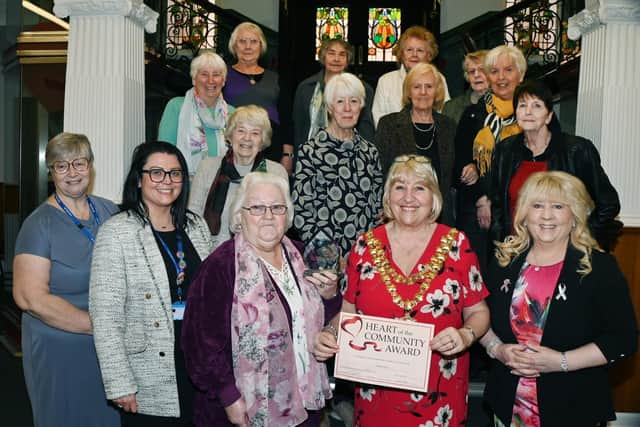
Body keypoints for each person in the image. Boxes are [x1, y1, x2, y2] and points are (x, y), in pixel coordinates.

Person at [314, 155, 490, 426]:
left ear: (434, 197)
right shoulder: (364, 246)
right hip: (376, 396)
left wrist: (466, 335)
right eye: (399, 187)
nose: (408, 197)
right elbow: (347, 313)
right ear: (388, 196)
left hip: (440, 393)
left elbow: (479, 312)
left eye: (419, 187)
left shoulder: (457, 244)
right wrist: (329, 333)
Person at [182, 171, 340, 426]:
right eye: (256, 207)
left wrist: (330, 298)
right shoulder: (221, 266)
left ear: (287, 214)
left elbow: (331, 309)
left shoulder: (304, 255)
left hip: (303, 402)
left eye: (277, 207)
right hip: (240, 409)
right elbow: (199, 344)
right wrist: (229, 397)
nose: (268, 216)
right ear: (239, 215)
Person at [480, 171, 637, 426]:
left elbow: (623, 338)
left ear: (574, 215)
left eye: (558, 206)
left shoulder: (599, 267)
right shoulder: (503, 262)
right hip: (508, 404)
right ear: (524, 214)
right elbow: (478, 317)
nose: (546, 216)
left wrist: (561, 362)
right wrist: (497, 350)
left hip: (574, 404)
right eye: (537, 205)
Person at [89, 141, 214, 425]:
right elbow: (106, 317)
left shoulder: (196, 227)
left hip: (198, 366)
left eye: (175, 173)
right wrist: (119, 383)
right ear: (139, 178)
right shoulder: (117, 232)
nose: (166, 181)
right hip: (148, 374)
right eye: (156, 172)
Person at [12, 132, 120, 427]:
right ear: (52, 173)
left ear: (91, 166)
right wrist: (98, 327)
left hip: (108, 349)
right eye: (62, 166)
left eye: (79, 163)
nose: (72, 173)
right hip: (59, 350)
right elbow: (29, 297)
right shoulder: (38, 225)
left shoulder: (111, 211)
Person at [490, 80, 621, 249]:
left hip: (563, 251)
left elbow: (608, 204)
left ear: (549, 116)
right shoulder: (504, 150)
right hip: (516, 249)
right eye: (522, 105)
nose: (528, 111)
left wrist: (580, 238)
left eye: (537, 106)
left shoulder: (577, 150)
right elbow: (498, 208)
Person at [293, 72, 383, 260]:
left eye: (354, 101)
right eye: (340, 102)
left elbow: (378, 213)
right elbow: (301, 212)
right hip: (323, 260)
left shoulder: (370, 152)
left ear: (362, 106)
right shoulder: (310, 152)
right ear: (329, 107)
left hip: (364, 259)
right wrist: (330, 256)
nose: (348, 108)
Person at [454, 44, 527, 269]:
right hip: (479, 210)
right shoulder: (474, 113)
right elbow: (461, 162)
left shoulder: (532, 111)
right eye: (494, 71)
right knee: (478, 272)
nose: (501, 77)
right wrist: (482, 199)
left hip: (524, 207)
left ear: (521, 74)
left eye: (508, 70)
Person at [188, 105, 288, 248]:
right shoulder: (208, 166)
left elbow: (281, 223)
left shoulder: (276, 172)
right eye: (241, 131)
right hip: (211, 253)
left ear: (262, 141)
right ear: (230, 135)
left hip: (260, 253)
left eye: (255, 133)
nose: (247, 138)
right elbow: (193, 219)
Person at [374, 62, 458, 225]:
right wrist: (383, 206)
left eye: (429, 86)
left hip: (440, 215)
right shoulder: (389, 125)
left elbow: (454, 173)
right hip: (401, 211)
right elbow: (379, 170)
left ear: (437, 92)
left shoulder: (448, 126)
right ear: (409, 92)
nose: (423, 92)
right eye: (417, 87)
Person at [292, 39, 375, 151]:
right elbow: (298, 126)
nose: (336, 59)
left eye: (342, 55)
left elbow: (366, 127)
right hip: (310, 154)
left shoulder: (362, 89)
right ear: (323, 57)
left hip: (351, 153)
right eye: (331, 53)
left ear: (347, 60)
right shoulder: (306, 88)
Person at [158, 51, 232, 175]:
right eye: (204, 74)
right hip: (185, 184)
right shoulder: (176, 106)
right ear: (193, 79)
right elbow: (164, 150)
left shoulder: (233, 112)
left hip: (221, 185)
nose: (210, 80)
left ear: (223, 81)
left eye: (216, 75)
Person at [223, 22, 286, 167]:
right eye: (242, 41)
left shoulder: (275, 78)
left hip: (271, 147)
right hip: (236, 146)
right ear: (234, 46)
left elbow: (286, 118)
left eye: (253, 41)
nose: (248, 47)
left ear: (261, 46)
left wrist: (287, 154)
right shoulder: (222, 74)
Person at [371, 25, 450, 125]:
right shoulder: (385, 81)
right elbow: (379, 119)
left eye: (420, 50)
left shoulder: (439, 79)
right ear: (401, 54)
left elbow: (445, 114)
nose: (414, 55)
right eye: (409, 50)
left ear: (429, 55)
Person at [442, 50, 489, 124]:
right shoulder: (451, 107)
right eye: (472, 71)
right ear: (467, 76)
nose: (476, 75)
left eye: (482, 70)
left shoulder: (504, 103)